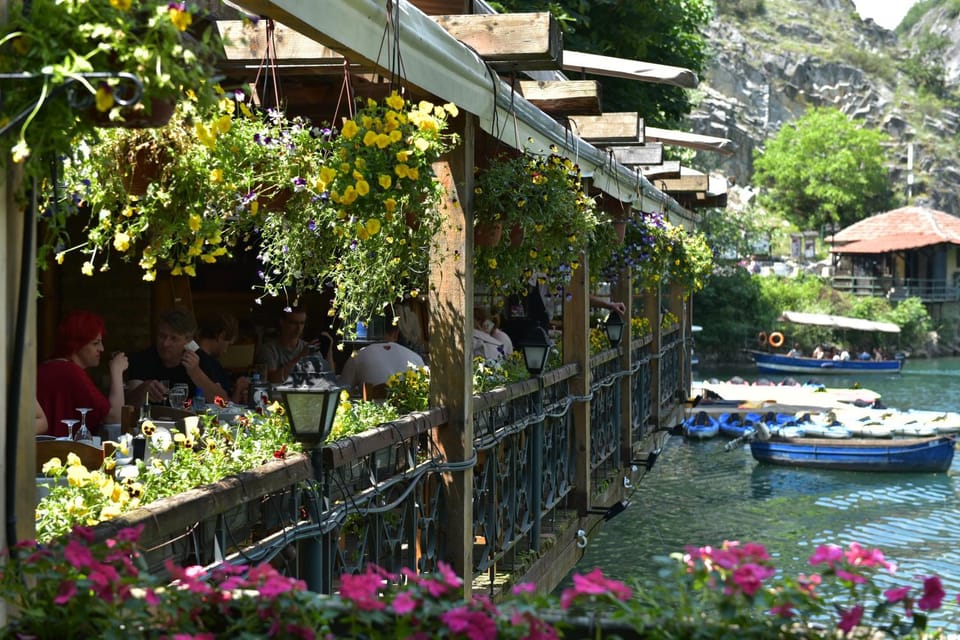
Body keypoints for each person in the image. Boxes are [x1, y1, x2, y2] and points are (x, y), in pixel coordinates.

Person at [37, 310, 127, 437]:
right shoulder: (71, 372)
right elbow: (115, 417)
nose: (101, 349)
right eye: (95, 343)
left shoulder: (47, 366)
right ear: (76, 345)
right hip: (61, 448)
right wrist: (117, 371)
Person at [125, 308, 226, 407]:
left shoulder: (199, 359)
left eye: (174, 338)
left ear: (188, 340)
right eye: (162, 336)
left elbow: (223, 403)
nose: (165, 344)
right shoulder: (143, 359)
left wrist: (196, 373)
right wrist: (144, 389)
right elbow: (128, 406)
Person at [339, 315, 425, 392]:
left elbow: (341, 393)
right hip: (412, 405)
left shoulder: (358, 356)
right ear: (396, 333)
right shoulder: (416, 358)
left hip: (372, 405)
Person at [255, 307, 334, 383]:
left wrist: (329, 350)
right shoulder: (268, 350)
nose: (298, 328)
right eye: (293, 323)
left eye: (302, 323)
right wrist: (301, 357)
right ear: (282, 322)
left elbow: (329, 378)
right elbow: (273, 379)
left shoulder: (308, 348)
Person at [196, 311, 251, 405]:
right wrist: (239, 388)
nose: (226, 350)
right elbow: (224, 405)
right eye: (228, 344)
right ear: (221, 336)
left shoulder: (193, 357)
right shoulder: (208, 364)